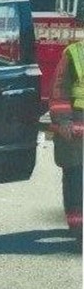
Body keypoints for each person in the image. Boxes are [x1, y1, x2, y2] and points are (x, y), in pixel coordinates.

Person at [49, 40, 83, 238]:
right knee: (75, 178)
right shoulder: (75, 53)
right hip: (76, 129)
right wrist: (63, 121)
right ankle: (78, 229)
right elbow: (59, 90)